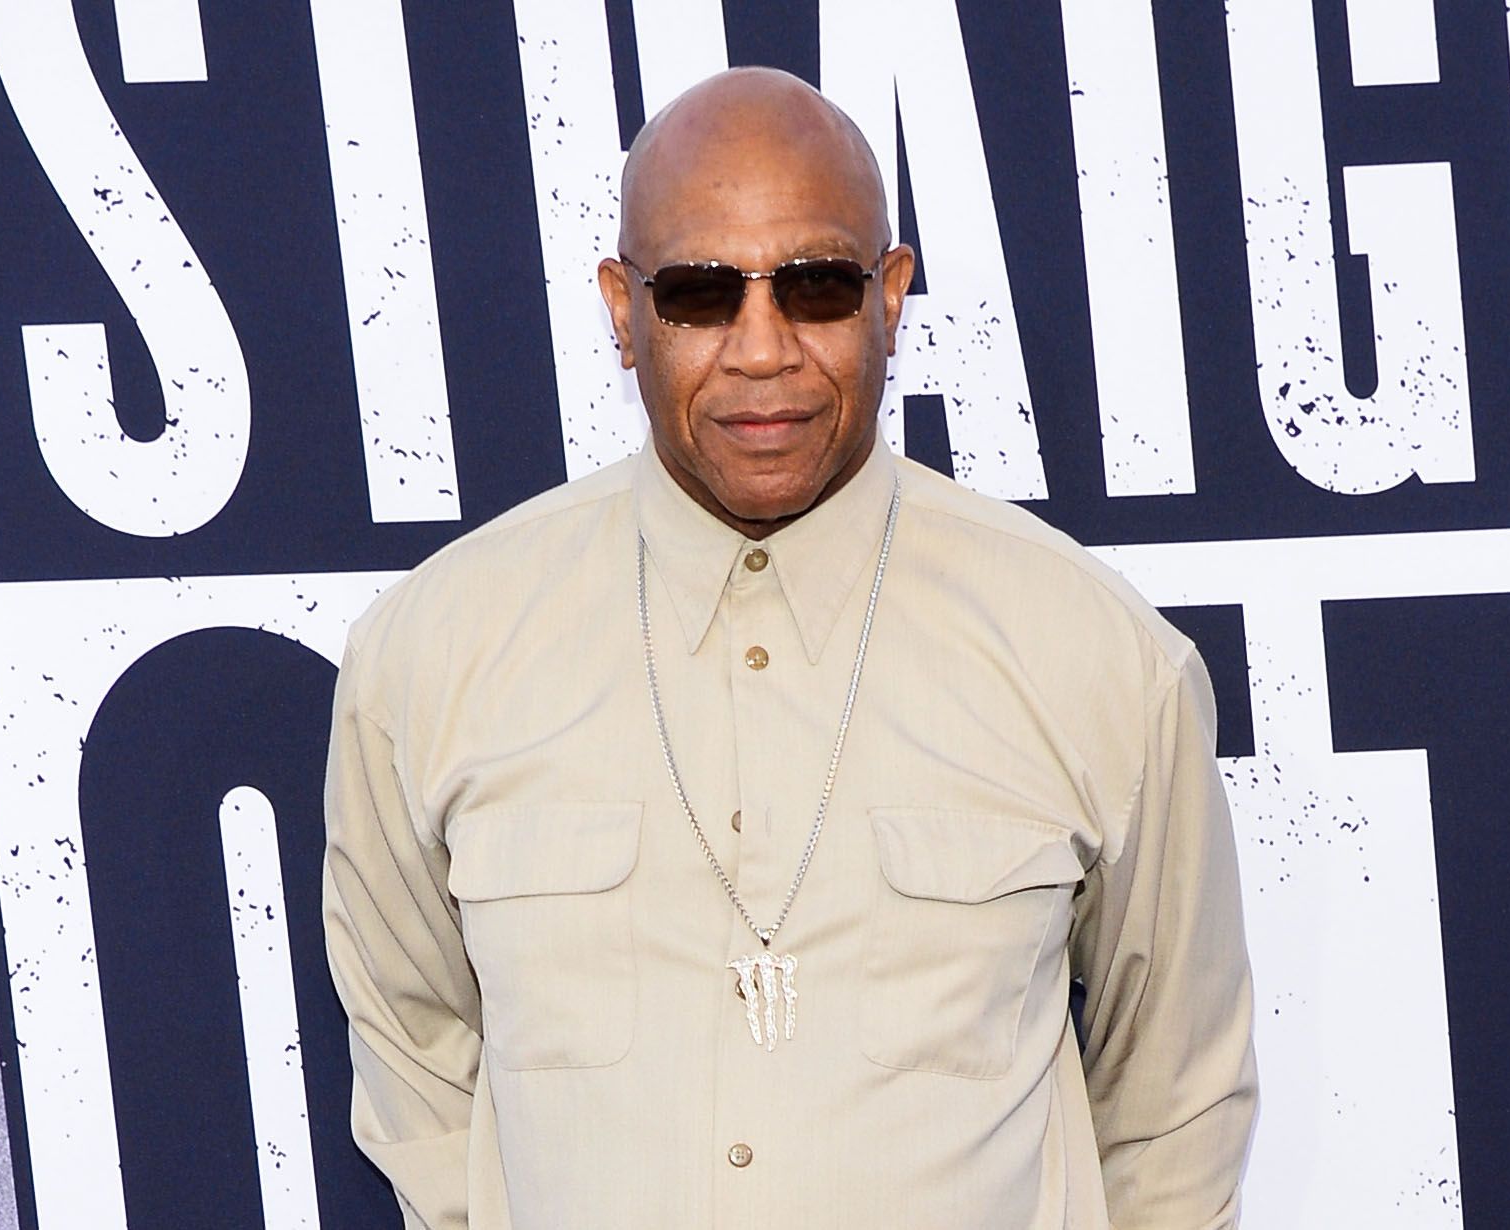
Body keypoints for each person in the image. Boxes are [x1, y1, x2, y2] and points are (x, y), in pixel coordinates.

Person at [322, 66, 1255, 1228]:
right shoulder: (432, 655)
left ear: (892, 294)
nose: (763, 352)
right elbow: (417, 1057)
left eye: (815, 287)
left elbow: (1176, 1105)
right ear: (624, 310)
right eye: (702, 296)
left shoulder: (1098, 659)